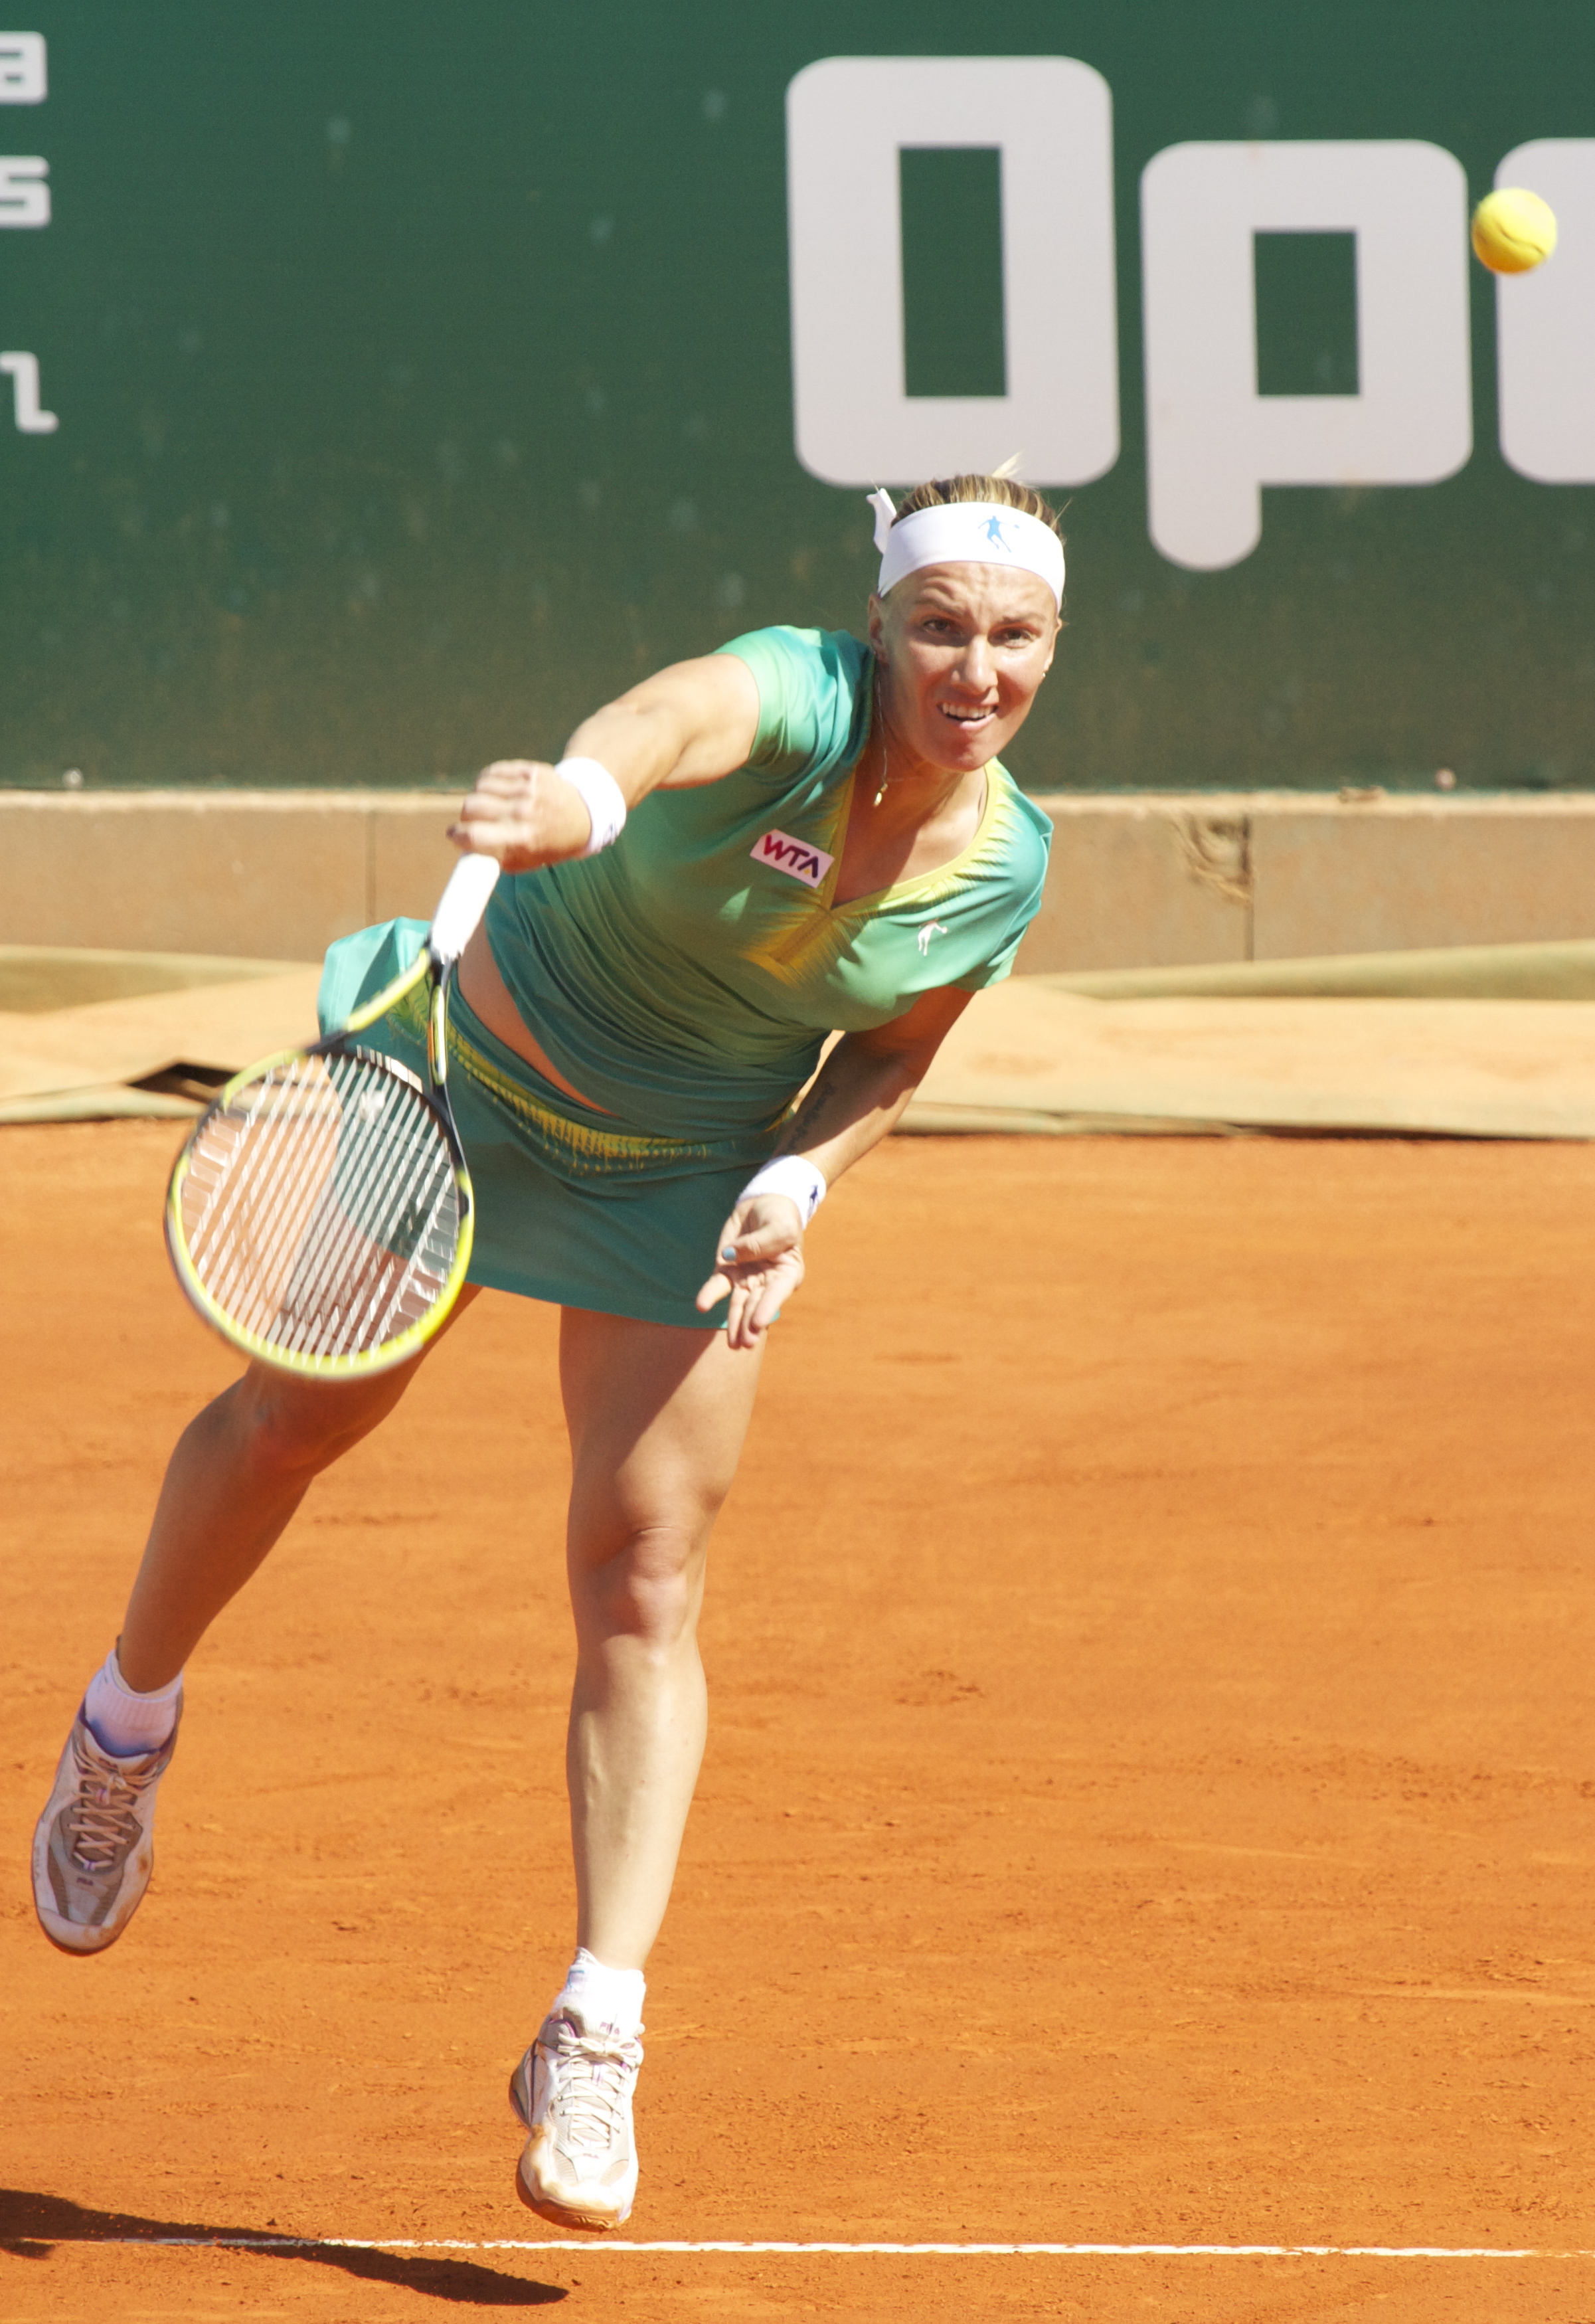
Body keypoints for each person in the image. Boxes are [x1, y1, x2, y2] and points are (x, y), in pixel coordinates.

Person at [31, 470, 1063, 2233]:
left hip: (684, 1173)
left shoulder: (1005, 862)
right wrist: (584, 798)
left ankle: (596, 2026)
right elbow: (662, 724)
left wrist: (800, 1179)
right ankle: (125, 1725)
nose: (976, 668)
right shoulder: (793, 692)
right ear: (881, 625)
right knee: (294, 1424)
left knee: (644, 1574)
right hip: (464, 1088)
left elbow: (894, 1052)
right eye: (941, 627)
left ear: (1053, 645)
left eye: (1015, 636)